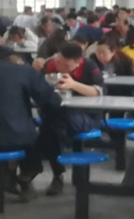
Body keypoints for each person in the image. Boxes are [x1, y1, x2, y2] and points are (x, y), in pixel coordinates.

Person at [0, 59, 61, 201]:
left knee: (9, 130)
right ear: (21, 62)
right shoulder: (26, 71)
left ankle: (9, 175)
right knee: (32, 137)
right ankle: (25, 177)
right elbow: (51, 101)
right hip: (13, 139)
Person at [39, 42, 104, 195]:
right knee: (51, 127)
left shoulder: (89, 66)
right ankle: (57, 173)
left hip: (86, 115)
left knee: (48, 129)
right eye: (58, 62)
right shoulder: (50, 65)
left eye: (65, 64)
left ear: (77, 62)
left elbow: (98, 92)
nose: (60, 66)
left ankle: (55, 174)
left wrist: (73, 84)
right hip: (56, 115)